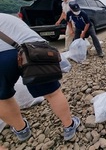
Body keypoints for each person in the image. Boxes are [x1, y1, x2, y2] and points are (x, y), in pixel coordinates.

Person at [0, 13, 80, 142]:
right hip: (31, 53)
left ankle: (22, 131)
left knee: (3, 98)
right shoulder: (7, 17)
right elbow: (32, 36)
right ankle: (69, 126)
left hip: (1, 60)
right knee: (52, 93)